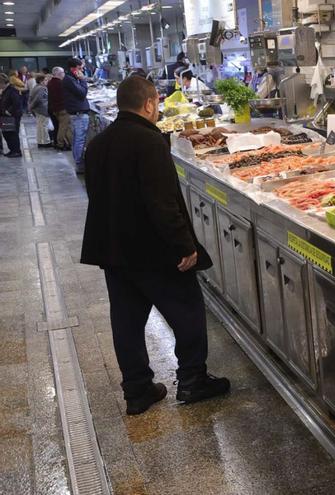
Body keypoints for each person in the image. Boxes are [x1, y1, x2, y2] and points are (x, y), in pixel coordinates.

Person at [80, 76, 230, 415]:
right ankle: (193, 380)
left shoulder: (98, 144)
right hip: (153, 250)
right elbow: (162, 203)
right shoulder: (149, 142)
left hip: (113, 250)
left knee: (127, 321)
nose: (158, 108)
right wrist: (184, 246)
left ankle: (137, 390)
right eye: (157, 103)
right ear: (149, 104)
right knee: (188, 311)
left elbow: (97, 196)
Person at [63, 58, 90, 173]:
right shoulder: (69, 80)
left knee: (77, 139)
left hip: (77, 113)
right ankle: (79, 164)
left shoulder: (71, 78)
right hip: (78, 114)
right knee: (79, 139)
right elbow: (82, 93)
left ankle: (78, 162)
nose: (82, 70)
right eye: (79, 68)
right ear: (72, 69)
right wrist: (83, 80)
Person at [0, 73, 23, 157]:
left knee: (12, 134)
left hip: (11, 116)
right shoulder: (5, 90)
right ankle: (12, 150)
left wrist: (8, 111)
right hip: (5, 116)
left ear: (2, 83)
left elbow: (17, 103)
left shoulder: (12, 90)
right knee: (6, 134)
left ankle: (16, 151)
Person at [28, 74, 52, 148]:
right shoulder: (42, 88)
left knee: (40, 126)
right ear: (41, 81)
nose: (47, 81)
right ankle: (45, 142)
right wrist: (31, 107)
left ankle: (40, 141)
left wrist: (31, 107)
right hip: (42, 109)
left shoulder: (36, 87)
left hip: (38, 110)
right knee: (44, 126)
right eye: (45, 80)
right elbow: (38, 99)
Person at [48, 67, 68, 149]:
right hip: (62, 108)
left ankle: (63, 143)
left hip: (54, 108)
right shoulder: (60, 83)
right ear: (59, 73)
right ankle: (61, 144)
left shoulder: (50, 82)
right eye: (63, 72)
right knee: (63, 127)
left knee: (59, 126)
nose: (64, 74)